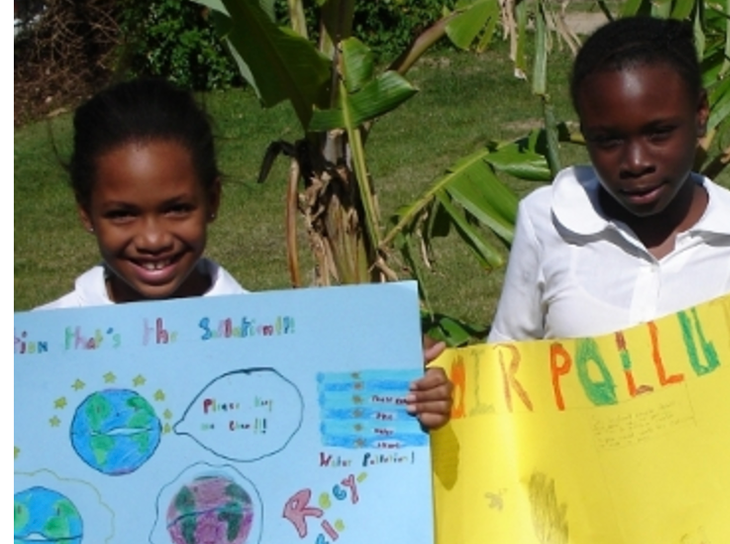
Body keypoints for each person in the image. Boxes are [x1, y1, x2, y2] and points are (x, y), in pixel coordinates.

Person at [39, 78, 452, 429]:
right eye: (122, 214)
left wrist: (405, 389)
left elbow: (351, 436)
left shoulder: (278, 343)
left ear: (213, 199)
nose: (152, 238)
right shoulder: (35, 352)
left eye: (177, 208)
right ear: (85, 212)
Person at [489, 16, 730, 343]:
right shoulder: (548, 220)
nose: (636, 163)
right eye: (608, 140)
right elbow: (505, 362)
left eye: (659, 133)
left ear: (700, 113)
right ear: (585, 132)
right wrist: (442, 386)